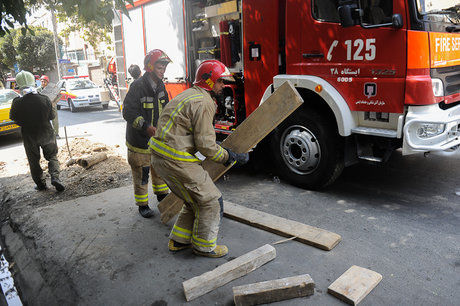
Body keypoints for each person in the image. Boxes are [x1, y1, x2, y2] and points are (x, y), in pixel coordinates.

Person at [150, 60, 249, 258]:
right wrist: (229, 156)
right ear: (210, 82)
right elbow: (206, 146)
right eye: (221, 82)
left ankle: (179, 241)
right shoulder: (204, 102)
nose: (223, 86)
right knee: (212, 200)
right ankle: (204, 247)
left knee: (194, 200)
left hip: (161, 158)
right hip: (174, 160)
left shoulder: (190, 94)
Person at [122, 49, 172, 218]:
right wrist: (146, 127)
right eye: (160, 66)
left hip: (156, 141)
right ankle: (142, 205)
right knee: (142, 174)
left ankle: (161, 195)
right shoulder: (137, 86)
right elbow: (128, 112)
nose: (163, 69)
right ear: (150, 66)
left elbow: (165, 110)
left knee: (159, 169)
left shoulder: (161, 86)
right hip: (139, 142)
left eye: (164, 66)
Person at [9, 71, 65, 192]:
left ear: (19, 86)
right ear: (33, 83)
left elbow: (14, 119)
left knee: (33, 161)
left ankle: (40, 184)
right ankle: (55, 178)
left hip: (29, 135)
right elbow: (52, 116)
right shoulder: (44, 99)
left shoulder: (17, 102)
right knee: (52, 156)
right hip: (46, 132)